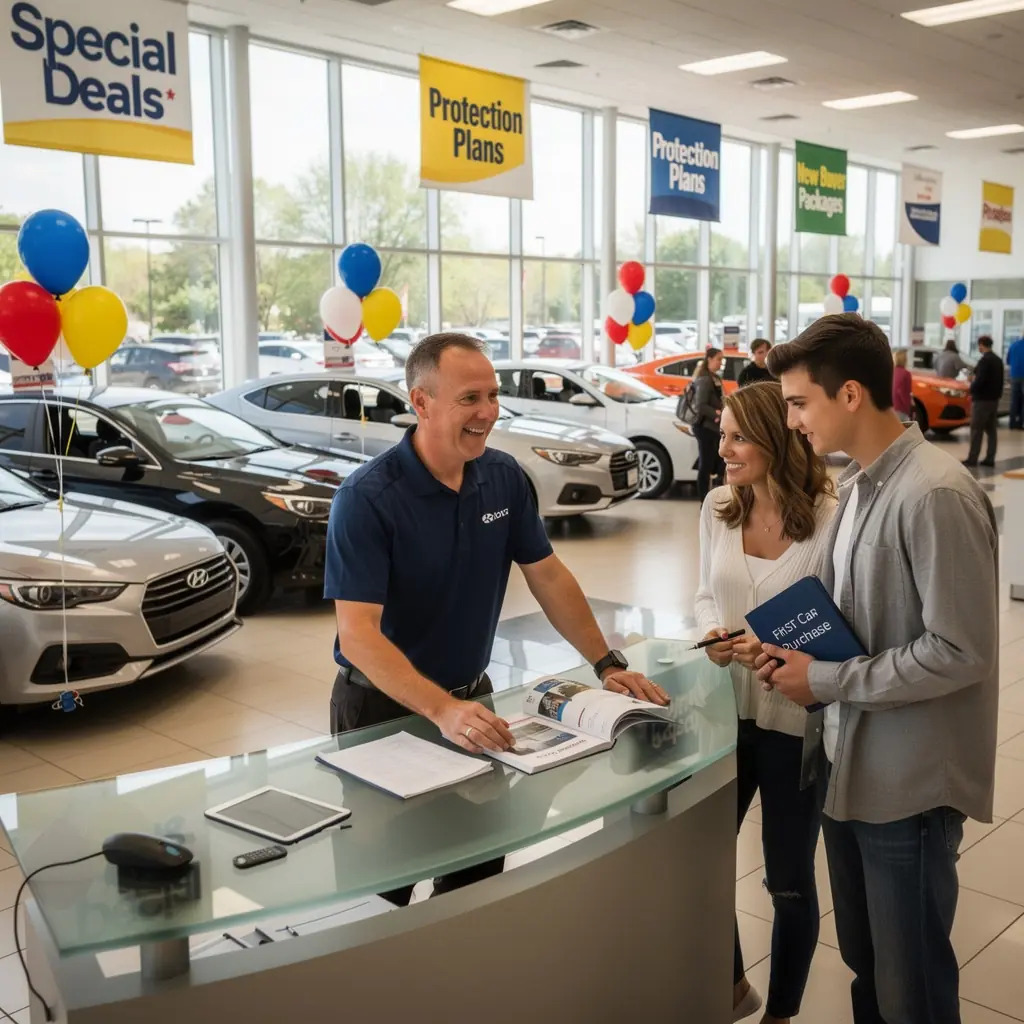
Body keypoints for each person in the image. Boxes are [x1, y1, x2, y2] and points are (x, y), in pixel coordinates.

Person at [324, 332, 669, 905]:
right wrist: (442, 710)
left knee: (476, 866)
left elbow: (549, 576)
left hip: (472, 702)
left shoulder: (503, 476)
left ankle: (461, 983)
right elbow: (358, 636)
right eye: (469, 398)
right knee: (384, 885)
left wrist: (605, 663)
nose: (488, 411)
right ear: (421, 401)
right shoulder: (367, 498)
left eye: (493, 394)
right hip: (382, 711)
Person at [755, 313, 999, 1024]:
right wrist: (786, 650)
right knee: (868, 969)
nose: (792, 419)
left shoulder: (934, 495)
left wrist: (824, 679)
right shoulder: (860, 487)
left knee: (911, 986)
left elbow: (961, 652)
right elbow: (857, 622)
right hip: (848, 767)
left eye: (799, 402)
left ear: (852, 394)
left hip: (909, 789)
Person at [695, 382, 836, 1024]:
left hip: (793, 725)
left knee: (787, 881)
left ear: (777, 439)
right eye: (721, 434)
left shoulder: (832, 518)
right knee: (698, 866)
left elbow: (844, 623)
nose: (722, 449)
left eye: (736, 436)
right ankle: (731, 987)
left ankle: (781, 1013)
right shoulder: (719, 505)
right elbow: (705, 595)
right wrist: (713, 636)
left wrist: (787, 649)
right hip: (725, 718)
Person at [964, 335, 1004, 468]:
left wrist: (971, 387)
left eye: (979, 345)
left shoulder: (985, 361)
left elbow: (980, 380)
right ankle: (990, 458)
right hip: (994, 400)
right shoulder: (998, 360)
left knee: (976, 429)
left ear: (982, 345)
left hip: (982, 400)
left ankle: (972, 458)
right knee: (991, 430)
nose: (978, 348)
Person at [692, 347, 725, 502]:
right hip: (705, 427)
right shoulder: (704, 379)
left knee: (716, 461)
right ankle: (703, 499)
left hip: (713, 427)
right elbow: (701, 405)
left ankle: (714, 495)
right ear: (710, 359)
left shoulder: (714, 377)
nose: (720, 363)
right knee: (706, 464)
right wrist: (716, 414)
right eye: (718, 359)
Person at [1006, 334, 1024, 430]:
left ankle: (1012, 424)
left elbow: (1008, 361)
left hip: (1015, 375)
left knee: (1014, 400)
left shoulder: (1013, 345)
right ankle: (1021, 423)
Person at [892, 349, 913, 423]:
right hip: (900, 408)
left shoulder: (891, 372)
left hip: (890, 408)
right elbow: (904, 393)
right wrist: (908, 408)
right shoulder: (906, 374)